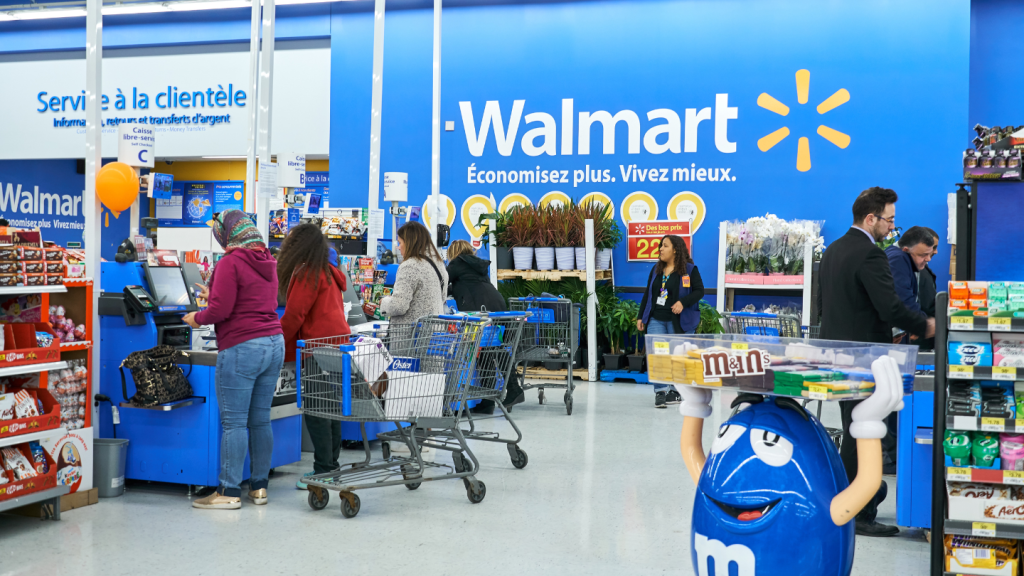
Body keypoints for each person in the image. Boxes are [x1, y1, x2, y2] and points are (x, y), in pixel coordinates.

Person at [816, 186, 935, 537]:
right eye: (889, 220)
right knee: (865, 433)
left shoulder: (833, 250)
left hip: (837, 352)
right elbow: (890, 308)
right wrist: (927, 325)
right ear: (871, 219)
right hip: (866, 355)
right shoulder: (871, 255)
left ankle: (855, 500)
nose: (892, 228)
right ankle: (859, 512)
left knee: (853, 429)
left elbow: (825, 305)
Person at [183, 210, 284, 510]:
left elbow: (220, 312)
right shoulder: (268, 260)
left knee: (235, 423)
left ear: (227, 233)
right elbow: (253, 299)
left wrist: (196, 318)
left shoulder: (230, 262)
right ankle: (260, 488)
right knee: (260, 419)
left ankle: (228, 492)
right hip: (273, 343)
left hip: (242, 347)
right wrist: (214, 292)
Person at [276, 223, 351, 490]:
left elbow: (295, 314)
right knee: (331, 408)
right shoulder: (330, 271)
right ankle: (331, 466)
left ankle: (322, 471)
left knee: (317, 409)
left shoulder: (307, 271)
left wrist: (276, 342)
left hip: (317, 348)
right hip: (338, 345)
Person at [445, 239, 517, 414]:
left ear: (454, 252)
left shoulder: (456, 263)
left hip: (482, 309)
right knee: (490, 349)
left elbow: (443, 281)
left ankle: (513, 390)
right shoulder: (476, 265)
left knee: (487, 350)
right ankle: (489, 400)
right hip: (495, 304)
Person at [637, 235, 705, 409]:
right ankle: (660, 392)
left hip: (679, 322)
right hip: (656, 319)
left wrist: (683, 302)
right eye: (660, 246)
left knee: (678, 356)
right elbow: (648, 294)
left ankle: (676, 392)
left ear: (675, 249)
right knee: (658, 356)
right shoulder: (656, 269)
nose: (660, 249)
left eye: (664, 246)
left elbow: (699, 291)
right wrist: (641, 316)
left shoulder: (689, 270)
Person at [380, 221, 448, 325]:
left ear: (409, 243)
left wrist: (384, 302)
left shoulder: (409, 266)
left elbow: (398, 306)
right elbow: (443, 297)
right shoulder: (439, 263)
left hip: (411, 334)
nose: (399, 247)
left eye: (400, 243)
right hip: (435, 332)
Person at [885, 226, 936, 332]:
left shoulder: (895, 254)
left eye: (929, 254)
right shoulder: (898, 260)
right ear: (906, 250)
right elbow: (903, 299)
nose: (928, 259)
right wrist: (924, 325)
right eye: (923, 255)